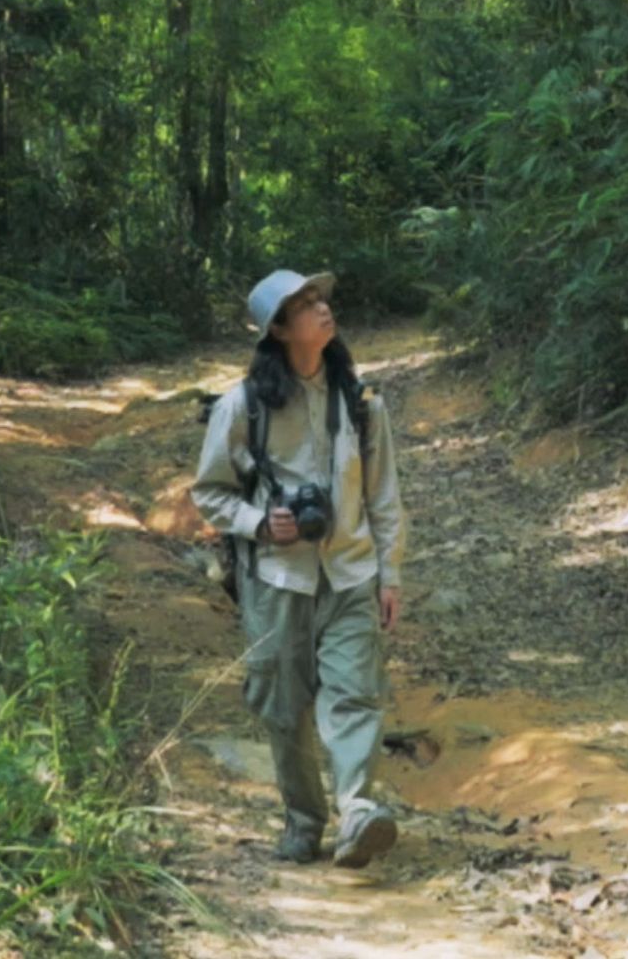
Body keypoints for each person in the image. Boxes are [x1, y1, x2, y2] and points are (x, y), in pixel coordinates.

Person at [191, 269, 408, 868]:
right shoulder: (243, 406)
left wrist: (390, 575)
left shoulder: (362, 404)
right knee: (283, 708)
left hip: (350, 574)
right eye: (305, 304)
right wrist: (261, 523)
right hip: (277, 580)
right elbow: (209, 493)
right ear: (281, 329)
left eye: (321, 299)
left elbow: (384, 497)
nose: (322, 309)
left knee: (356, 695)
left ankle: (358, 811)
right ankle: (304, 820)